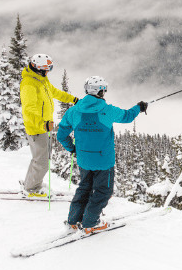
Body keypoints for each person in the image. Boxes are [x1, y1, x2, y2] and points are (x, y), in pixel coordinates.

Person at [57, 75, 148, 234]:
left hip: (84, 160)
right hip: (103, 161)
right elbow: (127, 116)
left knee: (84, 188)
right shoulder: (107, 110)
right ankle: (90, 223)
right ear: (100, 91)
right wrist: (139, 107)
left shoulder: (73, 111)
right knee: (102, 192)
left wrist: (72, 149)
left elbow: (61, 135)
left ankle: (73, 221)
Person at [20, 53, 79, 198]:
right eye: (47, 68)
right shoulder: (29, 84)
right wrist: (42, 123)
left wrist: (74, 99)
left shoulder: (42, 81)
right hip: (36, 128)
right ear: (38, 68)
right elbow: (29, 109)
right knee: (42, 161)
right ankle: (32, 189)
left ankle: (30, 184)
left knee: (39, 158)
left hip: (43, 127)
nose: (49, 71)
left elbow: (56, 93)